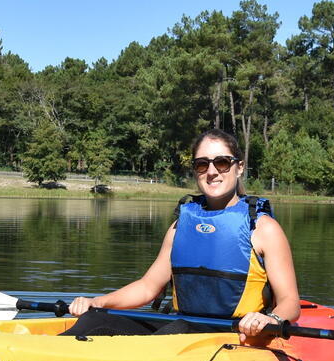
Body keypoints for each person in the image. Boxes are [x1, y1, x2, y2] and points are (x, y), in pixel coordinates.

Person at [61, 129, 300, 341]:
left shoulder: (264, 228)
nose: (212, 172)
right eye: (202, 164)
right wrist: (98, 302)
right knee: (96, 321)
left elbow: (290, 301)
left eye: (222, 162)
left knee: (178, 330)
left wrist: (271, 319)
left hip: (236, 331)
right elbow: (147, 288)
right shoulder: (179, 226)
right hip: (180, 326)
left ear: (239, 168)